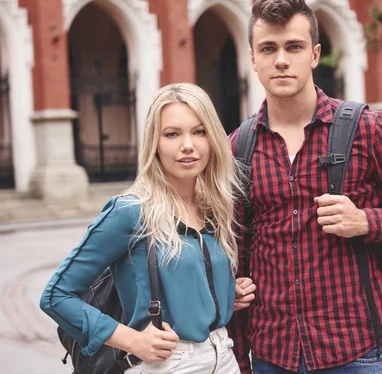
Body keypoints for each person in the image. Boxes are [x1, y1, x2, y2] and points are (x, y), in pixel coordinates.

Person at [226, 0, 382, 374]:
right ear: (252, 58)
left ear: (315, 54)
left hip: (358, 352)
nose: (281, 60)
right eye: (268, 49)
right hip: (272, 355)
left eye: (294, 47)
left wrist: (367, 222)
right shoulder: (238, 146)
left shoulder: (370, 128)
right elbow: (236, 253)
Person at [40, 83, 256, 374]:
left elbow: (181, 282)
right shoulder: (130, 211)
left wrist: (225, 294)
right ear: (154, 143)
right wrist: (132, 341)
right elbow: (56, 296)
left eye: (199, 131)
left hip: (223, 357)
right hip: (168, 364)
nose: (188, 144)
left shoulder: (213, 209)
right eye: (172, 134)